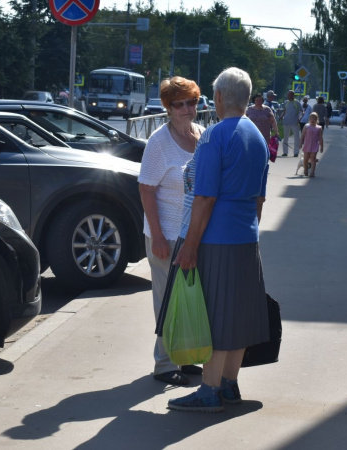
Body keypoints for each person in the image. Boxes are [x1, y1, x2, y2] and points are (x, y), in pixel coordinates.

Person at [166, 67, 270, 413]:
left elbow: (205, 197)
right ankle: (229, 385)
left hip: (216, 239)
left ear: (220, 97)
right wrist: (248, 231)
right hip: (246, 238)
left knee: (214, 317)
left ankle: (208, 391)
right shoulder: (257, 136)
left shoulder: (213, 136)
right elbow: (259, 199)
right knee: (237, 315)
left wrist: (191, 245)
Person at [138, 76, 206, 386]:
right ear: (168, 107)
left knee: (189, 299)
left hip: (193, 236)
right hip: (164, 234)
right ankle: (164, 364)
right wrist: (159, 237)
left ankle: (186, 356)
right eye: (179, 103)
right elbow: (146, 190)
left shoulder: (201, 135)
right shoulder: (159, 142)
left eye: (191, 101)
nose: (187, 108)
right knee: (167, 300)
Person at [300, 112, 324, 177]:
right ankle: (305, 169)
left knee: (313, 159)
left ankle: (312, 172)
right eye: (311, 118)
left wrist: (322, 146)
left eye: (314, 119)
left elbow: (320, 138)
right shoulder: (306, 126)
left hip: (314, 145)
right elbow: (302, 135)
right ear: (309, 119)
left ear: (317, 120)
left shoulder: (319, 128)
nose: (312, 120)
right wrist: (300, 143)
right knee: (306, 158)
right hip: (307, 145)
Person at [279, 90, 302, 157]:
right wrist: (281, 116)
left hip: (294, 123)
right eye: (288, 95)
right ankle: (285, 152)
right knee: (285, 138)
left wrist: (299, 118)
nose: (288, 97)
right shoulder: (286, 102)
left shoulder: (297, 102)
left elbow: (301, 111)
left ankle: (296, 152)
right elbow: (285, 110)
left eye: (290, 95)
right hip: (286, 122)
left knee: (296, 138)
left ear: (293, 95)